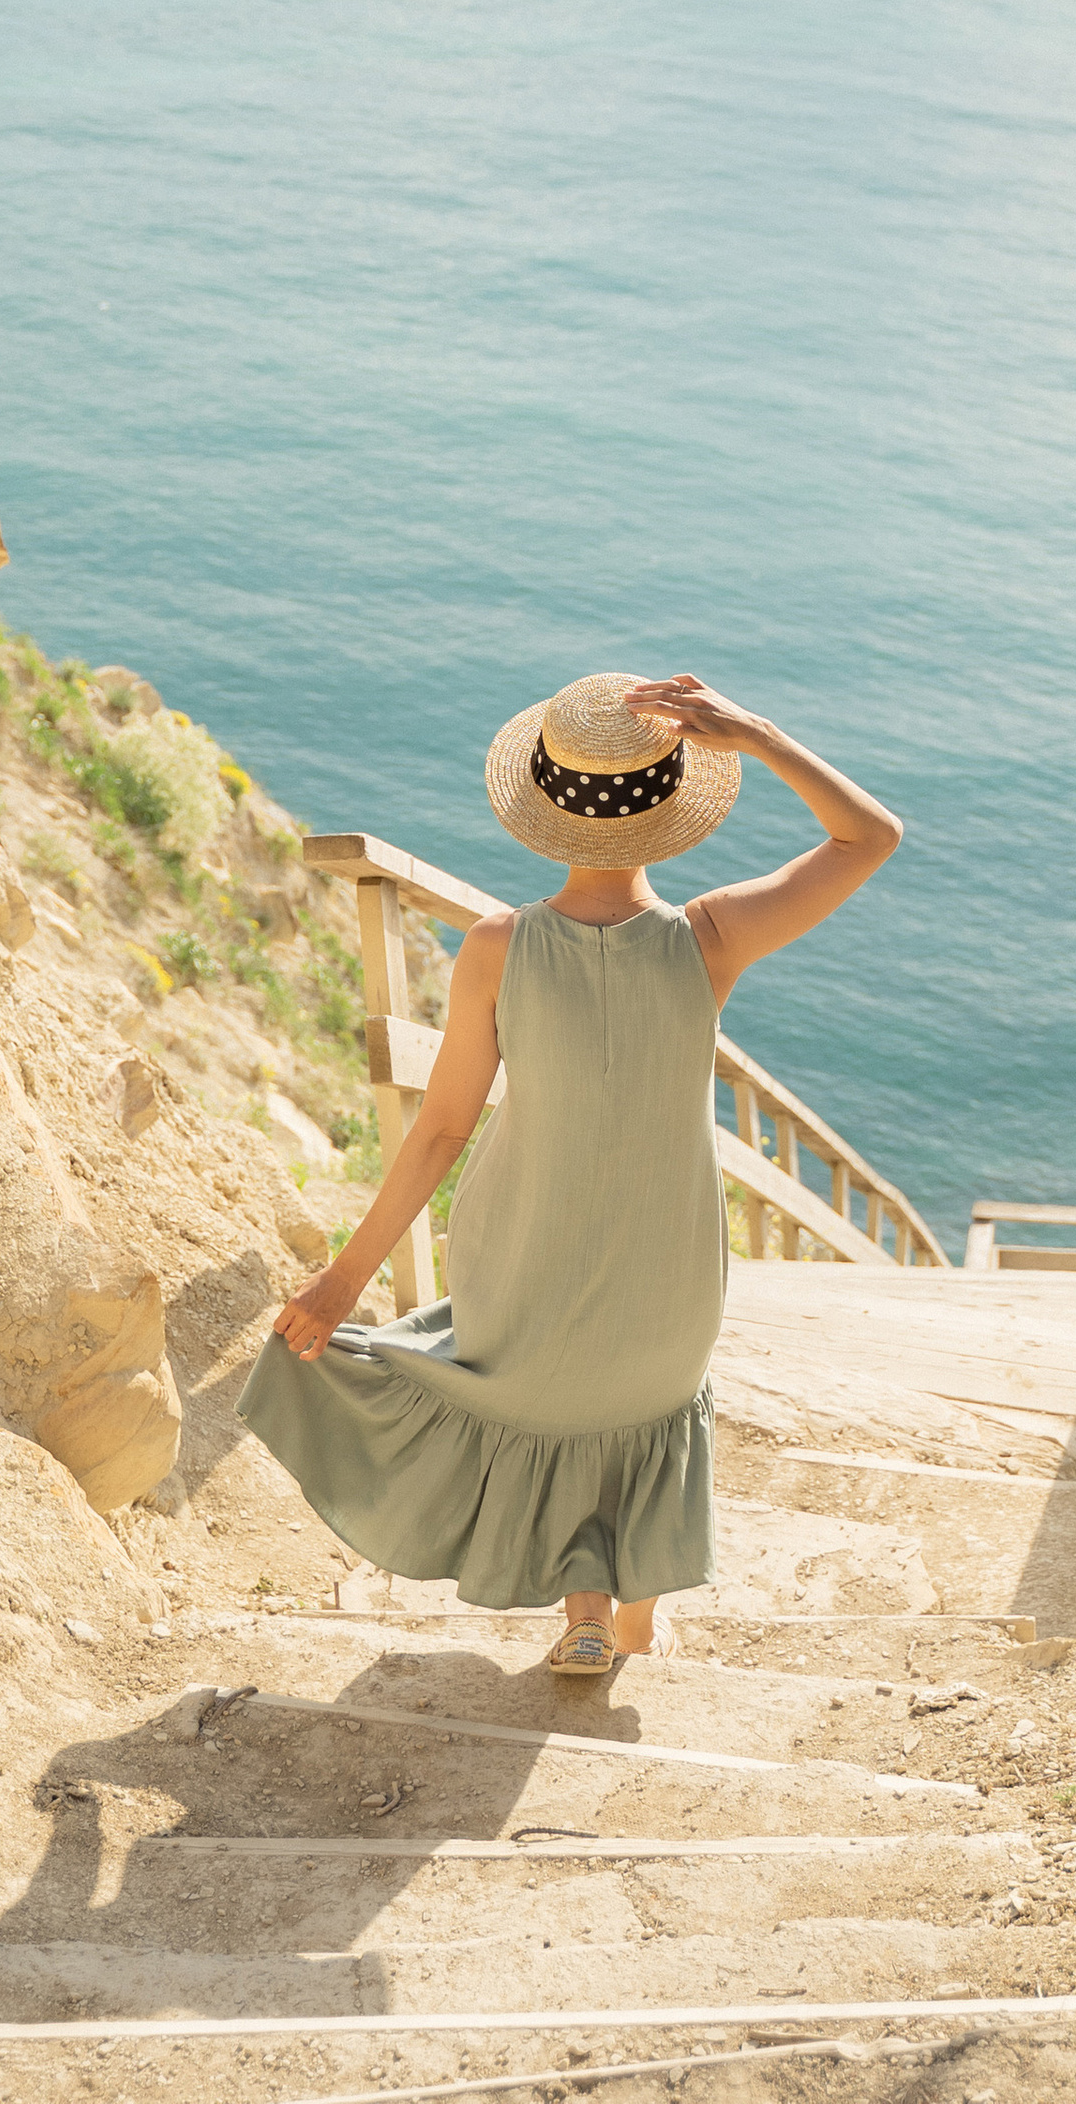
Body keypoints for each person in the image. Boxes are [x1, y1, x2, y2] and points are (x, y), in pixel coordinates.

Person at [236, 669, 902, 1674]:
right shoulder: (710, 941)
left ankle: (584, 1603)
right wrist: (755, 734)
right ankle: (621, 1615)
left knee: (528, 1387)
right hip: (668, 1285)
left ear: (545, 805)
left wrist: (343, 1279)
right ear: (674, 805)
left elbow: (439, 1132)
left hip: (521, 1268)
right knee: (631, 1408)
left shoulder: (496, 948)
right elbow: (870, 837)